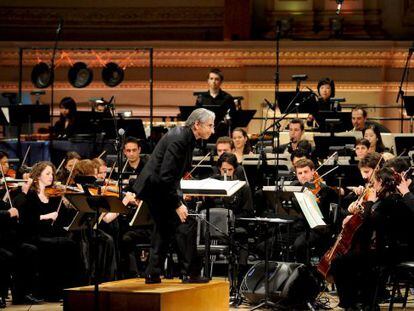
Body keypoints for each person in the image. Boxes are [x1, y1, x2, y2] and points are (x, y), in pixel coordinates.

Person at [133, 108, 215, 284]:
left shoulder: (186, 137)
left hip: (157, 187)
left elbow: (172, 174)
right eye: (210, 125)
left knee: (163, 228)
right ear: (197, 124)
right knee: (186, 223)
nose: (212, 130)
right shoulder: (180, 139)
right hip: (156, 187)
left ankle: (153, 273)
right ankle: (189, 273)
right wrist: (178, 203)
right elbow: (166, 176)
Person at [330, 166, 414, 309]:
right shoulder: (393, 199)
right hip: (387, 249)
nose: (372, 185)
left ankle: (352, 303)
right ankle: (360, 301)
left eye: (374, 182)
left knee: (340, 261)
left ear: (380, 182)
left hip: (390, 252)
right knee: (349, 258)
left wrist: (369, 203)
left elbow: (367, 223)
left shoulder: (389, 202)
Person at [14, 162, 80, 301]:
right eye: (47, 174)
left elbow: (63, 218)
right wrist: (46, 216)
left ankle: (65, 289)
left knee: (70, 243)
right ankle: (51, 291)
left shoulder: (54, 195)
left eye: (52, 174)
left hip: (51, 234)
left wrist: (68, 203)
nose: (51, 177)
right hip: (34, 235)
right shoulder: (31, 195)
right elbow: (25, 219)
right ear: (38, 176)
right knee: (60, 245)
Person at [291, 159, 338, 264]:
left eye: (306, 172)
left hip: (318, 229)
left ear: (313, 172)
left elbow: (327, 218)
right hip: (299, 226)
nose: (303, 176)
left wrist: (315, 196)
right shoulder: (294, 187)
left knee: (299, 244)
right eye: (300, 173)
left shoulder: (325, 190)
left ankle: (304, 272)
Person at [196, 68, 235, 138]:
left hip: (222, 134)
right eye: (211, 79)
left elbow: (234, 117)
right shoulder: (201, 98)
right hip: (205, 134)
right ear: (208, 81)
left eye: (216, 79)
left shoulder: (228, 98)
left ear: (221, 81)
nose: (213, 81)